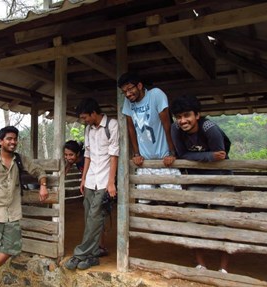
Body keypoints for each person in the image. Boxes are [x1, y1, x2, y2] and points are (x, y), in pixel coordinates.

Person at [0, 126, 49, 287]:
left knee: (13, 246)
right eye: (9, 139)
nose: (13, 142)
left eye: (15, 139)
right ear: (1, 141)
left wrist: (43, 184)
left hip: (12, 212)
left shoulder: (20, 160)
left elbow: (38, 170)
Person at [170, 95, 233, 273]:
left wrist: (211, 157)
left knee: (224, 222)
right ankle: (201, 264)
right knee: (193, 221)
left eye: (187, 115)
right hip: (196, 180)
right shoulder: (175, 128)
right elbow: (182, 154)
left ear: (197, 115)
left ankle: (223, 269)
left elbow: (220, 156)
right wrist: (208, 156)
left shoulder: (209, 128)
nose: (183, 120)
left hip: (220, 178)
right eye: (179, 116)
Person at [64, 98, 119, 270]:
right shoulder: (88, 129)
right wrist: (83, 178)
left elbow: (114, 155)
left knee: (95, 216)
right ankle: (93, 255)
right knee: (90, 217)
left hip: (104, 180)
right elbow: (87, 155)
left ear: (94, 113)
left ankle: (80, 253)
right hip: (90, 180)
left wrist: (111, 182)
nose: (84, 121)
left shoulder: (112, 125)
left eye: (85, 117)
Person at [117, 72, 181, 203]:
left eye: (130, 89)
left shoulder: (155, 95)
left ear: (139, 85)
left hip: (164, 158)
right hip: (145, 161)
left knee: (173, 199)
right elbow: (131, 129)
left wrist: (172, 153)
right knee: (145, 201)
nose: (128, 94)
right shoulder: (128, 102)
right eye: (124, 92)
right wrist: (136, 154)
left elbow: (167, 125)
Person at [63, 140, 109, 257]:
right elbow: (64, 173)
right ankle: (97, 245)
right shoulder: (74, 161)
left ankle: (101, 246)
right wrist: (67, 163)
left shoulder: (85, 159)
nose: (68, 157)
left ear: (78, 153)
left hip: (99, 186)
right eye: (66, 155)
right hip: (90, 188)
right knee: (91, 216)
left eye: (71, 155)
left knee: (97, 216)